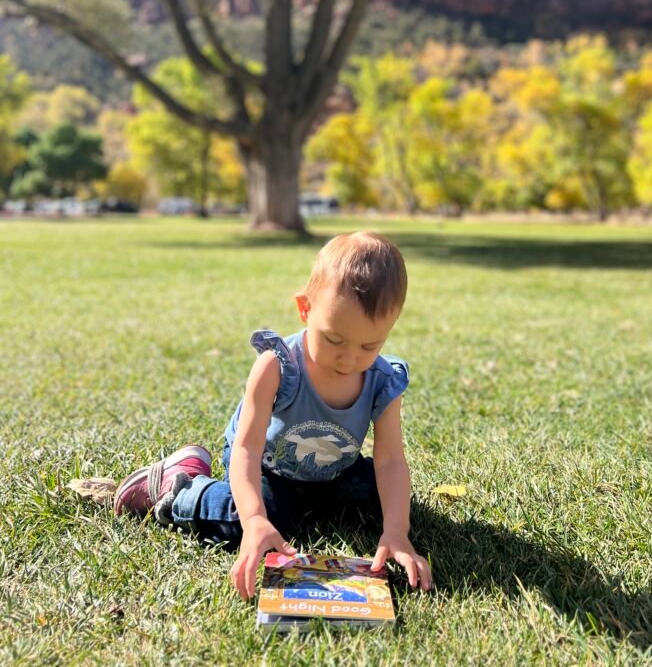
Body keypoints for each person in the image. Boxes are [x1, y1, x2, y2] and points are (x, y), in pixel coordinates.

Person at [114, 231, 432, 599]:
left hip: (332, 468)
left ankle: (322, 502)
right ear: (305, 309)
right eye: (333, 340)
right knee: (263, 519)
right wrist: (254, 520)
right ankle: (180, 485)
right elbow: (247, 448)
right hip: (267, 465)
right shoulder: (278, 367)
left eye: (369, 345)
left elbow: (390, 460)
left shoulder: (382, 380)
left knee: (385, 500)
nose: (349, 359)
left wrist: (397, 531)